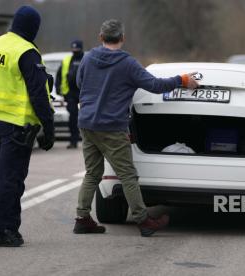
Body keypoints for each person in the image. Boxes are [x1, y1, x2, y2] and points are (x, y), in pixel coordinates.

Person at [74, 19, 198, 236]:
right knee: (128, 175)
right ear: (122, 38)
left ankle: (82, 218)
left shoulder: (87, 58)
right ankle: (144, 221)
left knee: (93, 173)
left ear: (101, 37)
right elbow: (155, 85)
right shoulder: (127, 63)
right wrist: (182, 79)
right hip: (112, 127)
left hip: (87, 123)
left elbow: (79, 83)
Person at [0, 6, 55, 247]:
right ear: (33, 28)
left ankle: (10, 227)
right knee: (9, 178)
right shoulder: (26, 52)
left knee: (11, 177)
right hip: (16, 124)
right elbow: (39, 94)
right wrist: (48, 129)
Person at [55, 40, 84, 149]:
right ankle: (74, 141)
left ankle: (88, 140)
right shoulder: (67, 60)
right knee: (73, 118)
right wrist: (58, 88)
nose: (75, 51)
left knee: (85, 117)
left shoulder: (86, 59)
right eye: (73, 49)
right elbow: (59, 76)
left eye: (77, 49)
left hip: (84, 94)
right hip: (70, 93)